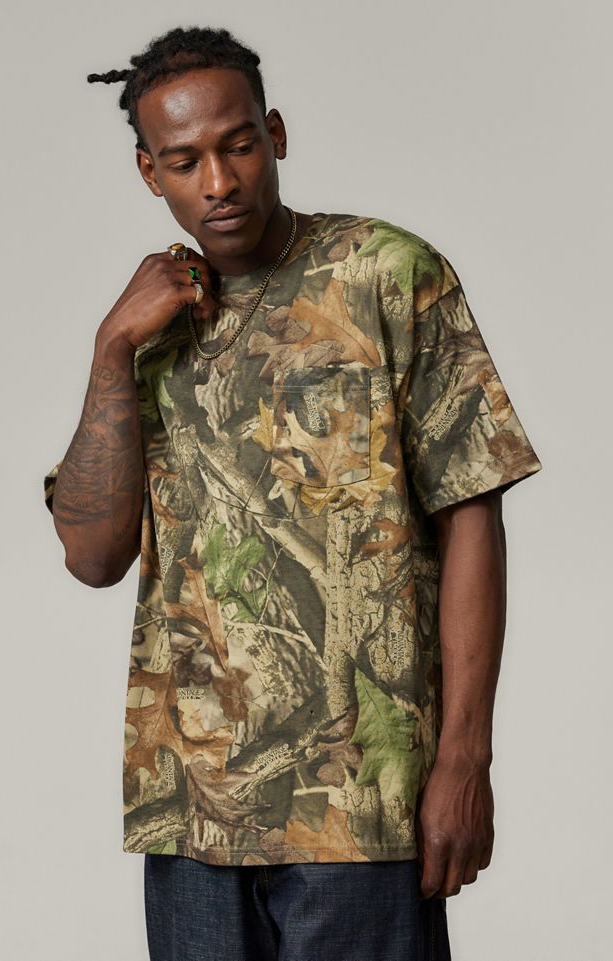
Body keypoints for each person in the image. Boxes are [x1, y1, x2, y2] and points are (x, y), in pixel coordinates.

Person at [43, 24, 543, 961]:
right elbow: (92, 555)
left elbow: (472, 509)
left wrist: (464, 758)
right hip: (191, 811)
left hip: (362, 804)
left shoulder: (387, 273)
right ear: (150, 173)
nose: (219, 182)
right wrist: (110, 351)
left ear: (274, 134)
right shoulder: (150, 327)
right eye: (185, 161)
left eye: (238, 145)